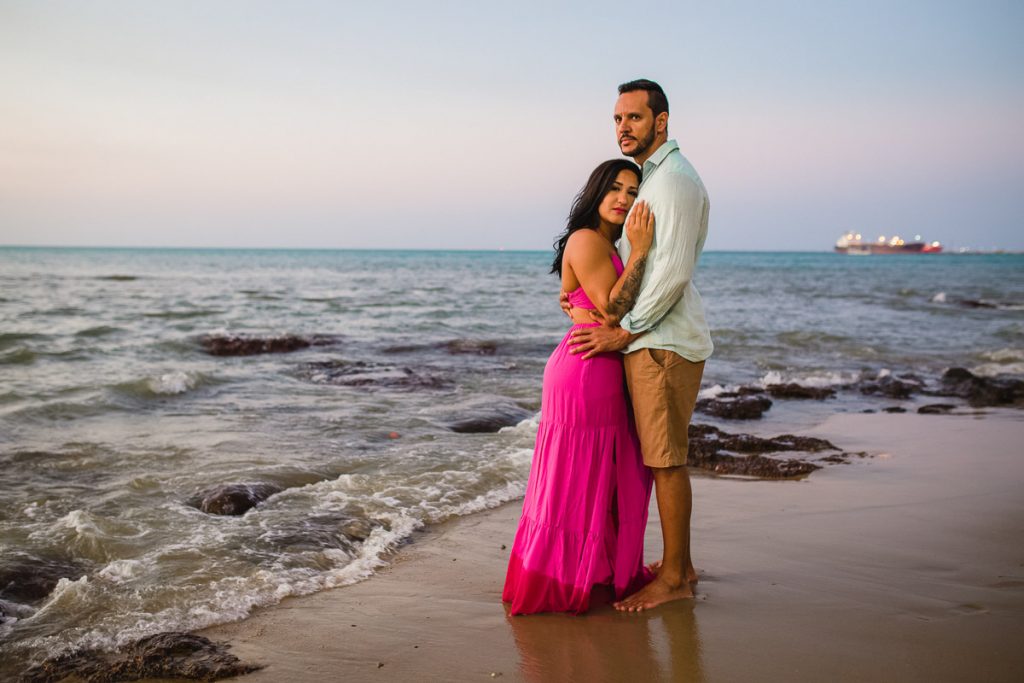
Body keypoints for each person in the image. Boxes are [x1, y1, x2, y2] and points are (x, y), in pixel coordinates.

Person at [568, 79, 714, 611]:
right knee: (660, 457)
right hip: (655, 341)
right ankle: (682, 566)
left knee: (666, 461)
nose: (623, 127)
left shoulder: (671, 182)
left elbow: (670, 274)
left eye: (633, 117)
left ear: (662, 121)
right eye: (617, 119)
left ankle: (675, 579)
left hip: (662, 344)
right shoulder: (653, 179)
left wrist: (624, 332)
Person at [502, 159, 656, 615]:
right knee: (579, 476)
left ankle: (596, 571)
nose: (623, 199)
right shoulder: (587, 239)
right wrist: (644, 251)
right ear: (595, 192)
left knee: (602, 474)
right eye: (615, 188)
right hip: (588, 367)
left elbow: (597, 303)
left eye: (632, 191)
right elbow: (611, 311)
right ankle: (566, 578)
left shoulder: (610, 244)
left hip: (599, 362)